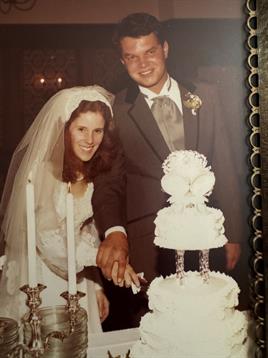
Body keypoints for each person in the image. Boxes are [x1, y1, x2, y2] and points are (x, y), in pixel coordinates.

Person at [97, 12, 246, 326]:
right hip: (148, 243)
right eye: (131, 57)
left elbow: (227, 166)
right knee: (161, 327)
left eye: (149, 52)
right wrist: (114, 232)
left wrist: (232, 231)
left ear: (165, 49)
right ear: (122, 62)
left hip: (209, 236)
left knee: (211, 320)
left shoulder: (206, 95)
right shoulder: (117, 110)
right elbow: (108, 183)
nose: (143, 64)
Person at [0, 85, 139, 332]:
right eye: (81, 129)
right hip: (41, 282)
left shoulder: (94, 171)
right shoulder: (41, 173)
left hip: (79, 279)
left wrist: (96, 285)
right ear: (65, 130)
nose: (90, 140)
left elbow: (86, 233)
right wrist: (105, 261)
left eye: (98, 131)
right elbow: (49, 243)